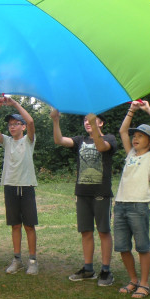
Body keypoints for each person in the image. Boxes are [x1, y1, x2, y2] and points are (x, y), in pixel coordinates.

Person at [50, 110, 117, 286]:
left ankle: (105, 270)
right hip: (82, 193)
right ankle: (88, 269)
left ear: (100, 123)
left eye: (92, 120)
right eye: (85, 120)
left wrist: (94, 125)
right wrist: (56, 120)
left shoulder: (110, 139)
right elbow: (59, 140)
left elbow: (101, 147)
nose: (87, 122)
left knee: (103, 231)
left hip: (101, 193)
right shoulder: (80, 140)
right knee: (86, 231)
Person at [114, 100, 150, 299]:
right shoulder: (130, 155)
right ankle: (133, 280)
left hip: (138, 206)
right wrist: (131, 110)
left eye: (141, 136)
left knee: (142, 246)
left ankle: (144, 283)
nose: (135, 138)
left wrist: (148, 109)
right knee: (123, 246)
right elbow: (122, 131)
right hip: (120, 205)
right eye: (135, 135)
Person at [0, 97, 39, 275]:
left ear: (23, 127)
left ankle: (32, 261)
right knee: (15, 225)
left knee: (29, 226)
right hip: (9, 186)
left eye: (16, 124)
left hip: (26, 186)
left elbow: (31, 120)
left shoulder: (28, 141)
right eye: (10, 124)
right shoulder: (7, 141)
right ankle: (17, 260)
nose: (12, 127)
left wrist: (15, 104)